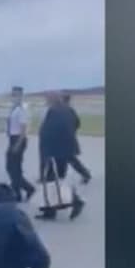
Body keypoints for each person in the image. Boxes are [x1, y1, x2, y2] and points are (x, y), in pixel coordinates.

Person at [39, 92, 90, 220]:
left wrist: (46, 153)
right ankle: (50, 210)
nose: (46, 100)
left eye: (48, 98)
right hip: (65, 150)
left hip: (54, 151)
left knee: (52, 181)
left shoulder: (53, 112)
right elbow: (76, 124)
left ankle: (73, 202)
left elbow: (48, 133)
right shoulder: (68, 110)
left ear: (53, 100)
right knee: (55, 181)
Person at [5, 85, 35, 202]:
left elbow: (23, 129)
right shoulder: (14, 108)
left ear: (21, 96)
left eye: (17, 95)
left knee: (13, 167)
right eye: (13, 94)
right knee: (12, 167)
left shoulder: (22, 109)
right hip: (13, 138)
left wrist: (18, 144)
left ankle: (26, 189)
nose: (14, 97)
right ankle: (18, 191)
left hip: (18, 139)